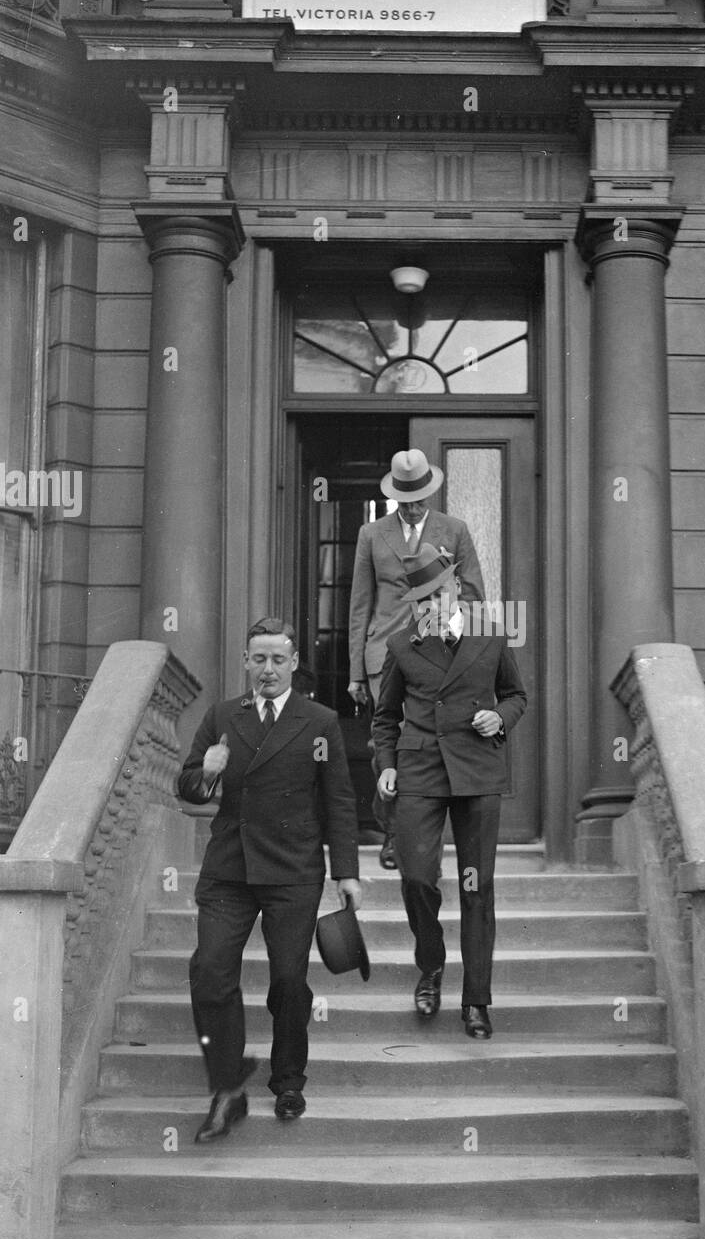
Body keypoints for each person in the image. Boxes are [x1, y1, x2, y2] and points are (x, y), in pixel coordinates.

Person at [177, 617, 360, 1142]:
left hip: (293, 869)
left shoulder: (319, 722)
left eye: (278, 659)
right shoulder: (222, 716)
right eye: (258, 659)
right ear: (245, 662)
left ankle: (287, 1078)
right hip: (230, 868)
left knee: (287, 980)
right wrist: (207, 772)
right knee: (210, 973)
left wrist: (346, 872)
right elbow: (188, 785)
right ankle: (228, 1089)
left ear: (294, 663)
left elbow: (339, 801)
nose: (268, 670)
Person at [372, 547, 527, 1040]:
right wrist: (387, 766)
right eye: (420, 601)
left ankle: (476, 1000)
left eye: (438, 594)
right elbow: (384, 718)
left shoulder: (492, 637)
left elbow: (517, 695)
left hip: (477, 774)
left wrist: (499, 718)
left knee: (476, 887)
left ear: (457, 587)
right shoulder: (402, 646)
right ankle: (431, 965)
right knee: (418, 879)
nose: (431, 607)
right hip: (420, 772)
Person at [348, 448, 485, 869]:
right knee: (386, 745)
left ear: (430, 492)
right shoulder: (372, 534)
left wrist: (466, 649)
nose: (412, 508)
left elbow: (474, 596)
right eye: (405, 501)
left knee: (428, 744)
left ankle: (423, 842)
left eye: (419, 500)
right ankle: (393, 836)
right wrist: (355, 671)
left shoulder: (455, 529)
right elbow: (360, 604)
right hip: (384, 653)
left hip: (438, 652)